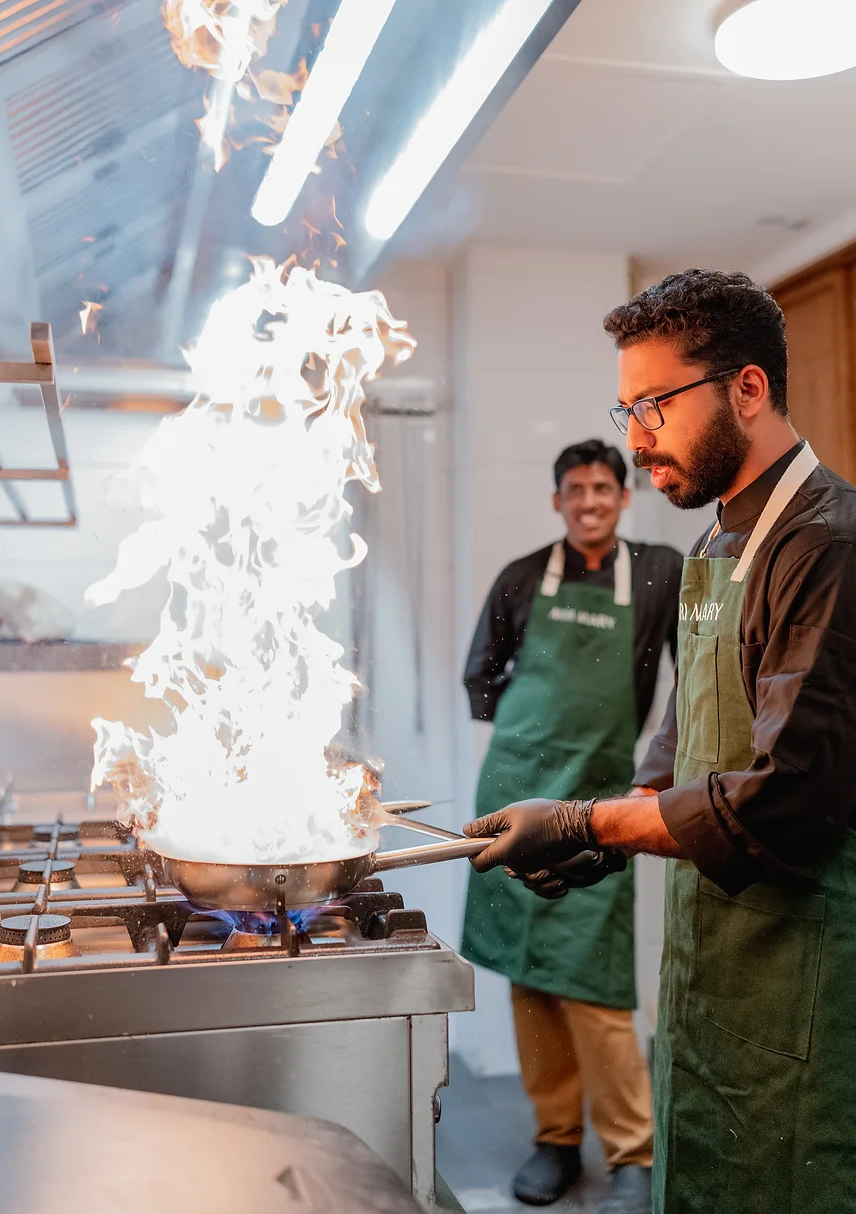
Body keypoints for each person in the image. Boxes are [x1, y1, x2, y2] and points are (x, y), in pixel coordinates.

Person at [464, 269, 856, 1214]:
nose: (637, 439)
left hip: (798, 974)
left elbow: (787, 796)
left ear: (748, 389)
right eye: (626, 406)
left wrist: (592, 821)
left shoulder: (828, 546)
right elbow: (681, 744)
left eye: (654, 406)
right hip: (710, 969)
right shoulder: (716, 545)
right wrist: (599, 837)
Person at [461, 439, 682, 1211]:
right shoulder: (523, 577)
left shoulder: (657, 571)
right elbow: (480, 679)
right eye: (574, 490)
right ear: (557, 500)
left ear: (624, 499)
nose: (589, 501)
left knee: (595, 986)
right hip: (516, 797)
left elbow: (694, 672)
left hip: (596, 803)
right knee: (530, 980)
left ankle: (632, 1155)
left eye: (602, 488)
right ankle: (554, 1140)